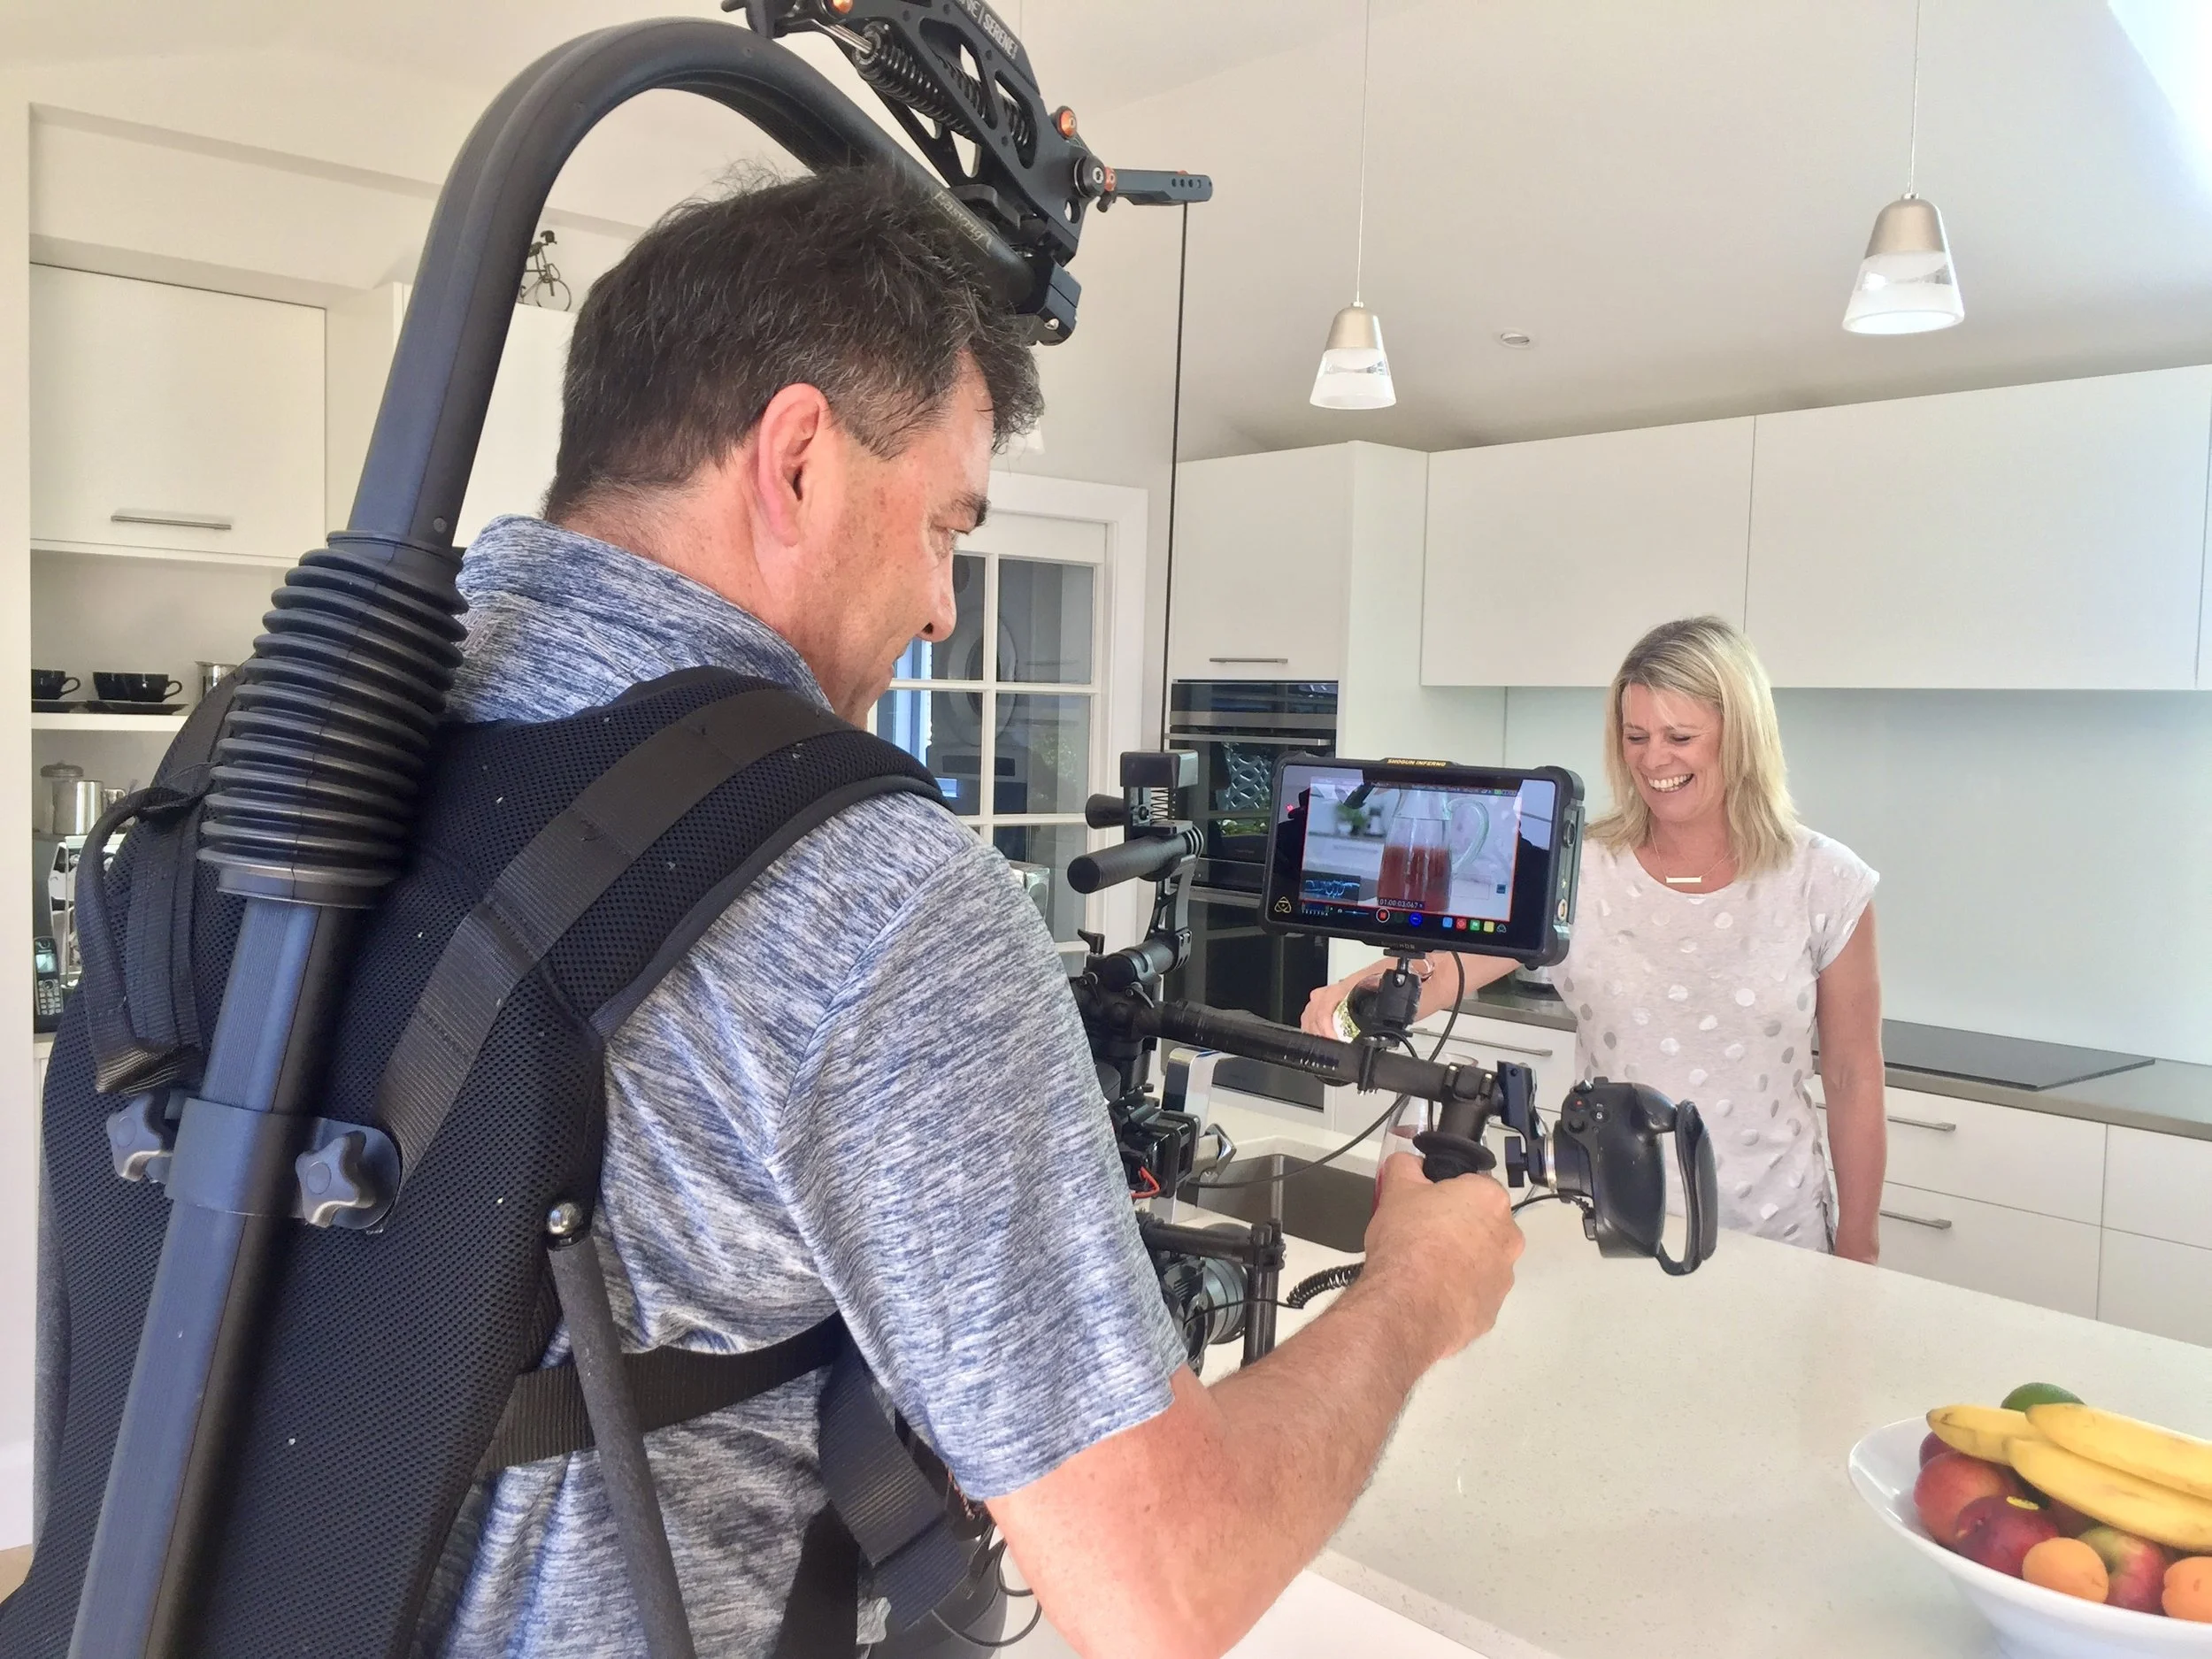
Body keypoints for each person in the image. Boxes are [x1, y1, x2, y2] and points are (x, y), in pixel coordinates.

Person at [417, 165, 1524, 1659]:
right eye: (944, 523)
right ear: (797, 459)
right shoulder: (870, 895)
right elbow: (1158, 1586)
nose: (945, 605)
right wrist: (1406, 1301)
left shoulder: (292, 759)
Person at [1306, 617, 1886, 1261]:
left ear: (1741, 737)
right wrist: (1349, 996)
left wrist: (1860, 1243)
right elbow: (1445, 967)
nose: (1652, 759)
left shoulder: (1826, 882)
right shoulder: (1579, 869)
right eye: (1635, 736)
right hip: (1608, 1230)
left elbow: (1853, 1074)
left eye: (1680, 736)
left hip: (1781, 1237)